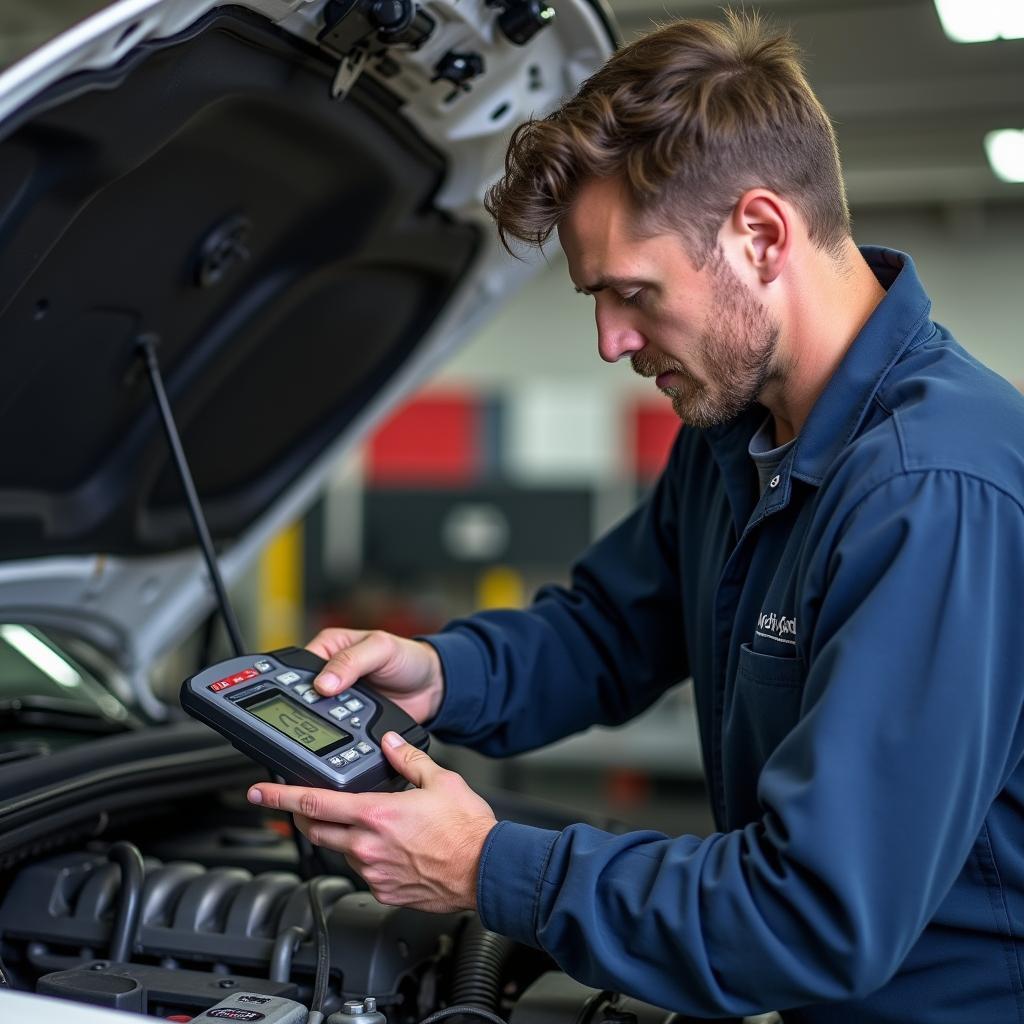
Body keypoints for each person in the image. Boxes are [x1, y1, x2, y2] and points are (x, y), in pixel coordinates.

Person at [246, 11, 1024, 1022]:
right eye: (594, 299)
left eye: (633, 293)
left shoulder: (933, 491)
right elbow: (612, 629)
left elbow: (813, 915)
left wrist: (491, 865)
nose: (613, 340)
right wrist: (442, 673)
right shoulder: (733, 430)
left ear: (759, 233)